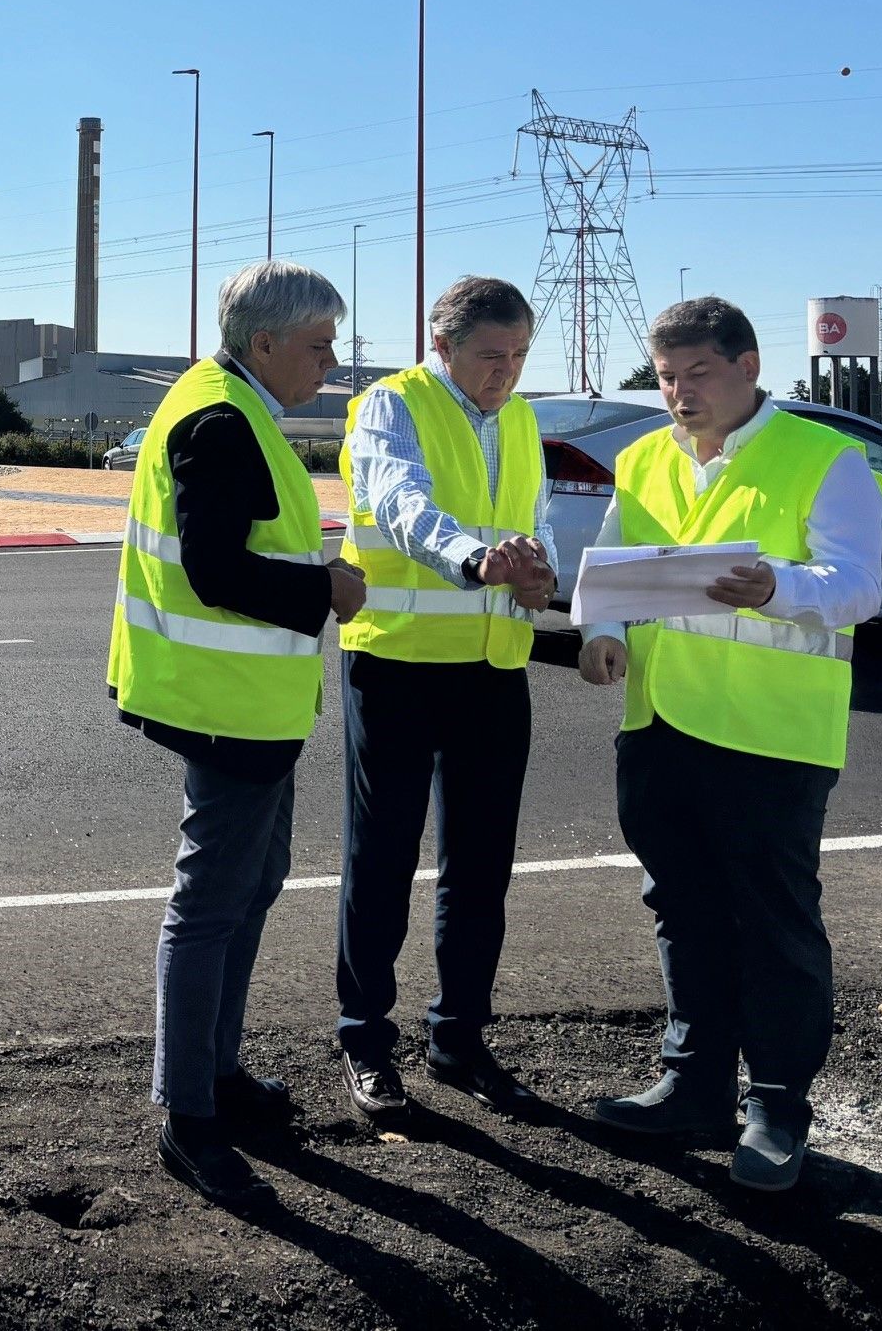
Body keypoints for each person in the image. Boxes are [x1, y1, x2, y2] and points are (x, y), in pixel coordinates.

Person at [577, 297, 882, 1191]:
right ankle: (693, 1086)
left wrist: (778, 586)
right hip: (661, 724)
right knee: (680, 907)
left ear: (749, 366)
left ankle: (778, 1108)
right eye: (666, 375)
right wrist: (602, 635)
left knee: (773, 920)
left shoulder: (827, 459)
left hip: (772, 735)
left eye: (697, 373)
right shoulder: (641, 460)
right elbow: (609, 576)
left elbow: (859, 586)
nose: (678, 392)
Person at [108, 257, 364, 1207]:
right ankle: (188, 1115)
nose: (331, 364)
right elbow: (216, 571)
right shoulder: (221, 420)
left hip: (239, 698)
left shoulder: (228, 401)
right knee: (212, 904)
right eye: (320, 344)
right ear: (265, 343)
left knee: (251, 883)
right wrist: (323, 589)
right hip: (220, 700)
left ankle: (216, 1076)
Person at [331, 276, 557, 1128]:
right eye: (491, 355)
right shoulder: (391, 404)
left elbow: (536, 521)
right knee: (381, 862)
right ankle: (366, 1042)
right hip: (396, 665)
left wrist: (540, 575)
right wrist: (475, 558)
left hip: (495, 667)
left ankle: (460, 1038)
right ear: (442, 345)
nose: (506, 372)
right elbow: (397, 506)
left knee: (480, 867)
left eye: (519, 355)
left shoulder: (525, 419)